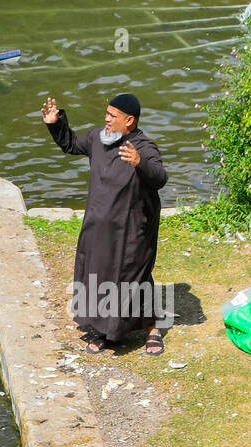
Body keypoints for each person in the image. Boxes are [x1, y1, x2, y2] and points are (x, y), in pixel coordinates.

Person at [43, 93, 169, 355]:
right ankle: (106, 332)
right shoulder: (97, 140)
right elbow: (70, 144)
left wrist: (139, 163)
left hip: (132, 228)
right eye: (107, 113)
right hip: (99, 225)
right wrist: (55, 123)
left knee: (135, 277)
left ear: (129, 120)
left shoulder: (143, 147)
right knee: (97, 274)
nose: (106, 119)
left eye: (113, 116)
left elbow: (160, 178)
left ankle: (152, 328)